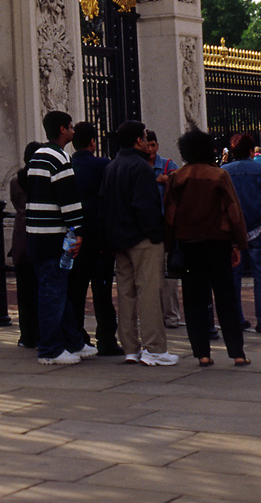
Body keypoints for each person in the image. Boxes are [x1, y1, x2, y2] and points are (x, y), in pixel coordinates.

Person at [164, 128, 249, 367]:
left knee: (194, 299)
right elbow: (233, 212)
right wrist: (238, 243)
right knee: (226, 297)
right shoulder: (219, 176)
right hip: (218, 243)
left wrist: (170, 245)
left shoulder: (177, 177)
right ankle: (237, 352)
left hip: (189, 244)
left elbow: (170, 215)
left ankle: (202, 352)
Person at [100, 120, 177, 365]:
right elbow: (146, 206)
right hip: (143, 239)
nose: (147, 141)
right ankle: (154, 348)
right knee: (149, 292)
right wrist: (156, 234)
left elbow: (105, 204)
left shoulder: (112, 167)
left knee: (126, 293)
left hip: (118, 239)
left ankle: (130, 348)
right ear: (138, 141)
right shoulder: (141, 167)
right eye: (145, 137)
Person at [26, 111, 93, 365]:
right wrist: (79, 230)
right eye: (71, 127)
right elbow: (68, 198)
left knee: (55, 290)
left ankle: (73, 342)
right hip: (53, 235)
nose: (74, 131)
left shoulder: (37, 156)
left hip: (37, 234)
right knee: (53, 292)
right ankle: (50, 348)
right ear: (63, 129)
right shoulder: (60, 157)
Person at [67, 122, 122, 355]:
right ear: (93, 142)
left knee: (76, 292)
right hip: (99, 238)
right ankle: (107, 339)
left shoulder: (67, 165)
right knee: (103, 293)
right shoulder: (103, 164)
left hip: (74, 237)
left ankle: (77, 336)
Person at [222, 132, 261, 333]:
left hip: (232, 231)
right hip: (259, 226)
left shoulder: (224, 172)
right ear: (252, 151)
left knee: (233, 276)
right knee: (260, 274)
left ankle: (237, 319)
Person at [145, 130, 182, 328]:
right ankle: (155, 314)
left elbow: (182, 188)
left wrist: (168, 181)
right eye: (147, 145)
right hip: (149, 228)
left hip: (167, 228)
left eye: (153, 145)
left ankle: (171, 315)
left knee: (169, 277)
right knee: (152, 275)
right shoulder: (140, 168)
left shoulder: (168, 166)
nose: (150, 149)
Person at [9, 141, 41, 349]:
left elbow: (15, 202)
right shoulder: (40, 179)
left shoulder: (16, 181)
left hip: (21, 236)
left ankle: (27, 335)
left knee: (24, 290)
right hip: (39, 234)